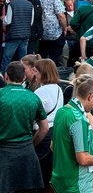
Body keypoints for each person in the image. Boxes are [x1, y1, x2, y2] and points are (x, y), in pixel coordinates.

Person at [50, 74, 93, 193]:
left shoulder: (62, 111)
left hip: (60, 179)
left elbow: (52, 146)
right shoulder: (79, 119)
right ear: (91, 97)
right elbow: (83, 159)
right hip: (76, 184)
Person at [0, 61, 49, 192]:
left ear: (6, 76)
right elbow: (44, 128)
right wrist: (31, 144)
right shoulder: (33, 97)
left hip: (3, 153)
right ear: (23, 78)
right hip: (27, 152)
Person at [33, 58, 65, 190]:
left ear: (43, 73)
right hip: (54, 134)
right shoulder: (58, 88)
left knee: (41, 175)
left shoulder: (41, 92)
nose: (35, 75)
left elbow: (33, 116)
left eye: (36, 72)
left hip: (42, 135)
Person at [35, 0, 67, 66]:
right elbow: (61, 15)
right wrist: (64, 28)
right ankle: (53, 75)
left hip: (40, 31)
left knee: (42, 56)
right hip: (54, 32)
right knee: (54, 57)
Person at [1, 0, 34, 74]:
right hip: (25, 35)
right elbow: (31, 22)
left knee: (6, 58)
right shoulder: (30, 4)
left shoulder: (12, 4)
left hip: (13, 36)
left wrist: (3, 19)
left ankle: (4, 79)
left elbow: (8, 21)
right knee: (23, 60)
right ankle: (23, 78)